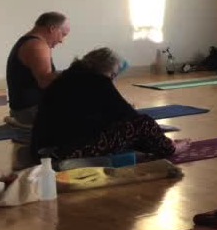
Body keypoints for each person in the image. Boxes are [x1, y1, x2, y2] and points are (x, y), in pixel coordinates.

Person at [30, 47, 178, 161]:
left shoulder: (66, 77)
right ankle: (170, 148)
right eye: (113, 74)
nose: (113, 78)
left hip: (41, 150)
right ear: (106, 70)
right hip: (64, 153)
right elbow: (131, 117)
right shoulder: (98, 81)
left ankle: (158, 146)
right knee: (144, 123)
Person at [4, 11, 70, 128]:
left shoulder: (29, 41)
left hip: (24, 110)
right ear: (52, 29)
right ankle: (27, 125)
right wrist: (74, 73)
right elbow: (45, 82)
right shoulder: (37, 45)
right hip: (30, 112)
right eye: (63, 34)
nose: (61, 40)